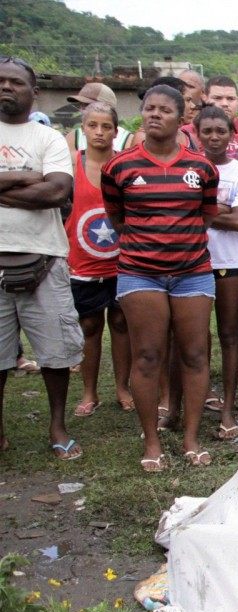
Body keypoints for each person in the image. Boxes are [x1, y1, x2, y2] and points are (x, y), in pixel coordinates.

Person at [101, 84, 219, 471]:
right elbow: (118, 218)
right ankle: (152, 441)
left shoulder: (202, 168)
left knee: (195, 354)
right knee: (148, 356)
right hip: (140, 274)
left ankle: (190, 437)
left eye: (164, 110)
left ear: (181, 117)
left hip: (193, 274)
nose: (154, 114)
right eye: (148, 108)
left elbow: (205, 215)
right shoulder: (119, 167)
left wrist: (178, 245)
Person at [0, 57, 84, 460]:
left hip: (44, 259)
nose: (6, 87)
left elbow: (55, 193)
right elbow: (42, 184)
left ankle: (57, 425)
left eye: (15, 82)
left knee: (55, 354)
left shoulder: (48, 139)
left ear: (33, 92)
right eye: (0, 81)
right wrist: (28, 177)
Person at [65, 102, 132, 417]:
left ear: (116, 132)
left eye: (106, 126)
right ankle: (89, 392)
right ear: (83, 129)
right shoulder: (71, 165)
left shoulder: (123, 167)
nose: (100, 132)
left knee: (121, 323)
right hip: (83, 263)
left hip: (122, 262)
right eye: (93, 125)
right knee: (89, 325)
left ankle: (123, 387)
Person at [195, 106, 238, 439]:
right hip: (194, 262)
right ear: (197, 133)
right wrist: (219, 211)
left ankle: (229, 408)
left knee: (230, 336)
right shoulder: (189, 168)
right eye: (208, 131)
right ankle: (197, 398)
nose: (214, 137)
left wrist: (200, 210)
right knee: (195, 338)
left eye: (221, 130)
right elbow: (223, 216)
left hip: (233, 263)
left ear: (231, 134)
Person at [199, 75, 238, 159]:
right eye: (217, 98)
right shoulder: (189, 132)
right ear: (204, 99)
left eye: (230, 99)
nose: (225, 104)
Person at [66, 82, 134, 155]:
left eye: (89, 106)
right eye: (82, 105)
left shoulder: (127, 140)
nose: (83, 110)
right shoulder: (73, 137)